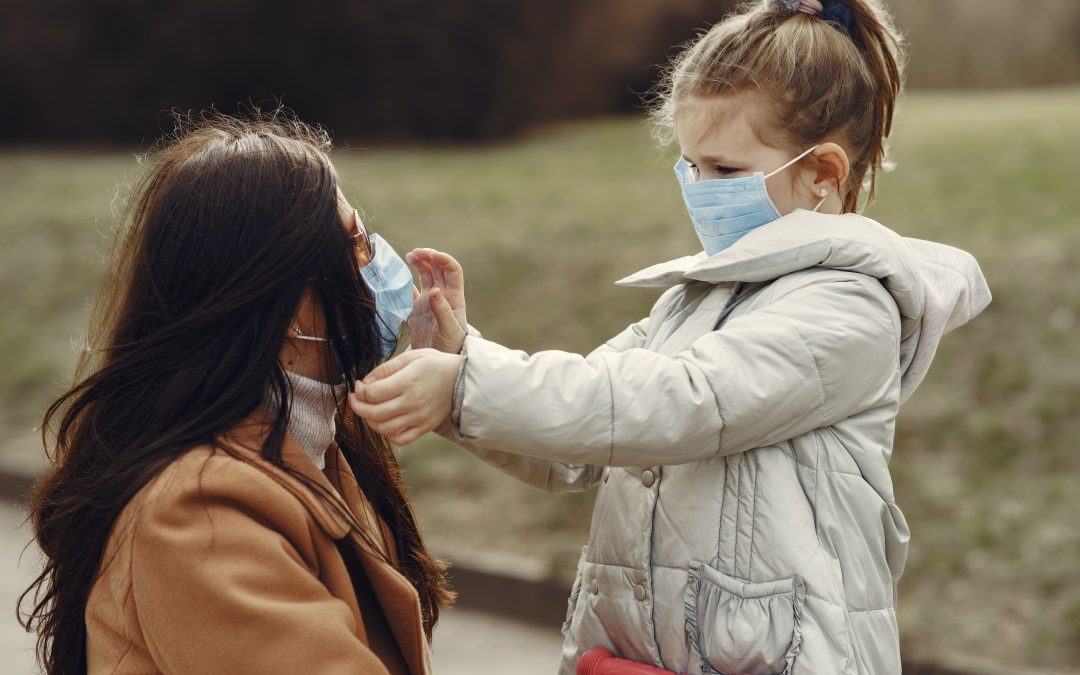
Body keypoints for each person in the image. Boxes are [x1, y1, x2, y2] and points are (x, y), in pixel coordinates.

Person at [349, 1, 992, 673]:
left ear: (823, 174)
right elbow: (574, 445)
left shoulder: (848, 307)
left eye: (724, 170)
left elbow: (679, 401)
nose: (699, 189)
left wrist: (466, 387)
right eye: (689, 166)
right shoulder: (692, 303)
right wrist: (460, 358)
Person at [19, 112, 457, 675]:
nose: (380, 265)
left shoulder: (317, 447)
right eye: (356, 245)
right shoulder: (197, 510)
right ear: (287, 304)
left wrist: (464, 381)